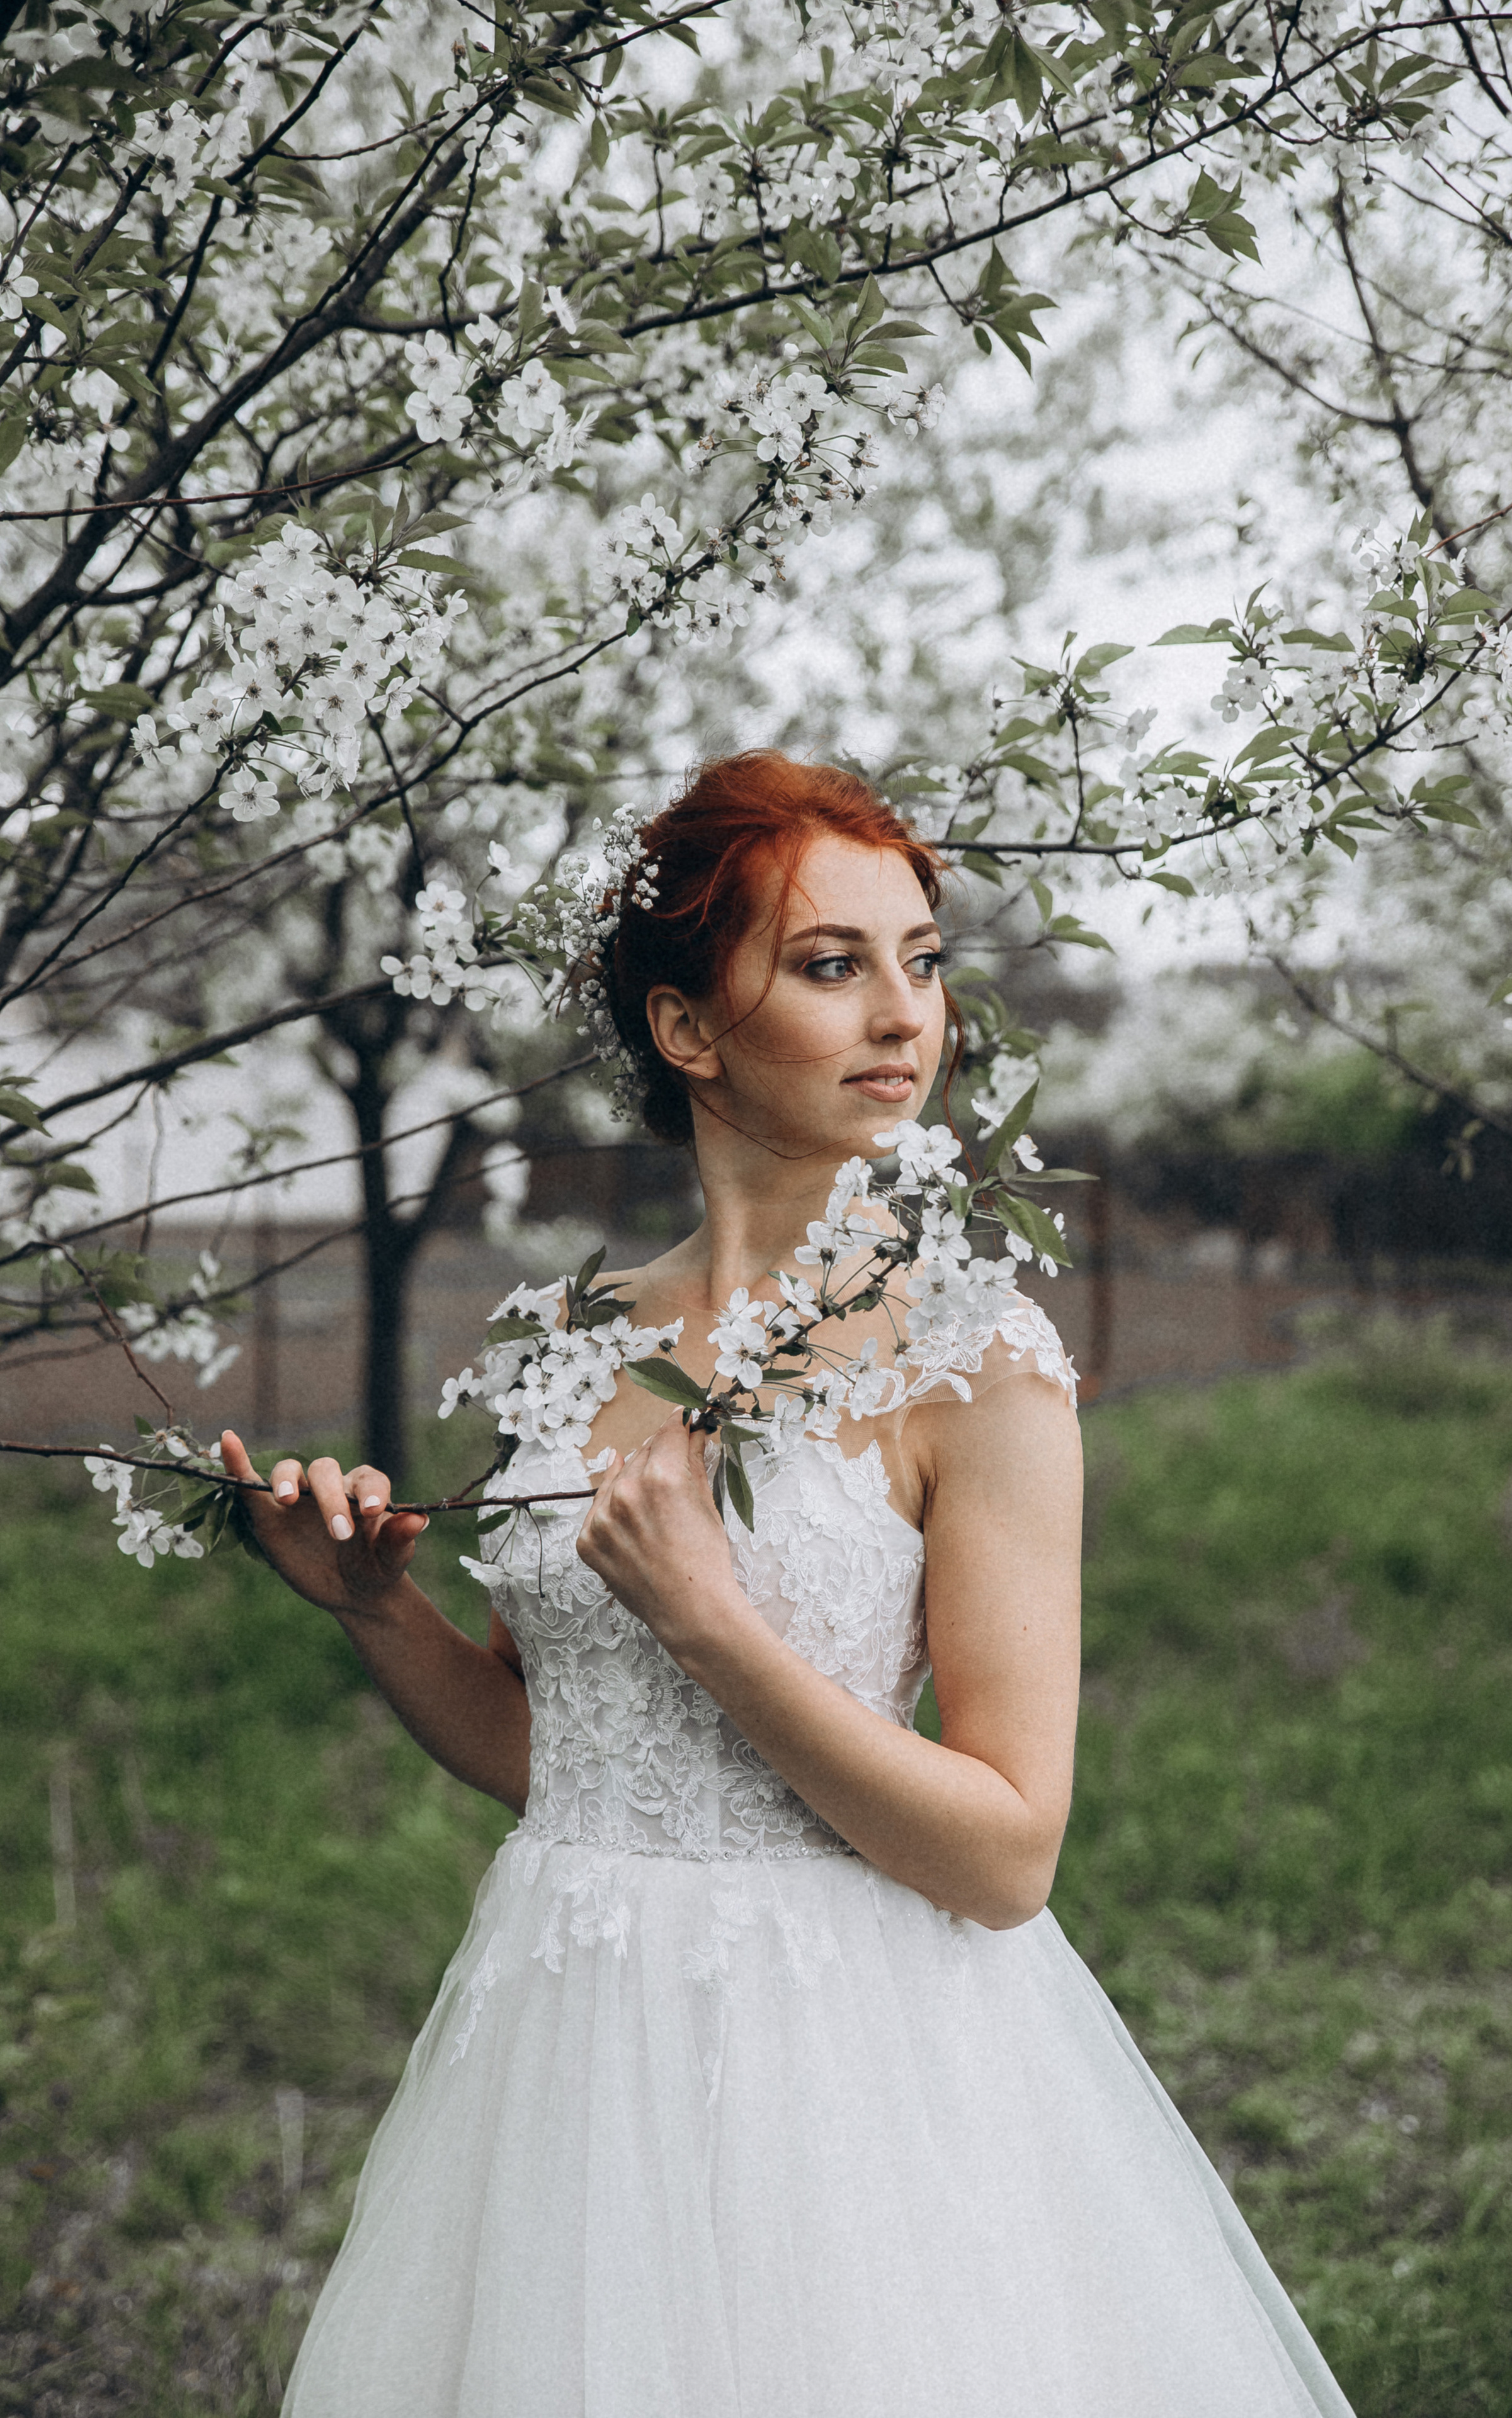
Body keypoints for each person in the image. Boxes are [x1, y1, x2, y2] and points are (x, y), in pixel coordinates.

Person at [222, 752, 1355, 2417]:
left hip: (848, 2075)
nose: (906, 1014)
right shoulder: (558, 1343)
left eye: (923, 959)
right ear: (691, 1030)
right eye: (835, 965)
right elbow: (564, 1757)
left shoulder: (979, 1366)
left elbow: (1007, 1852)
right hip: (566, 2039)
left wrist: (718, 1625)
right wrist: (376, 1608)